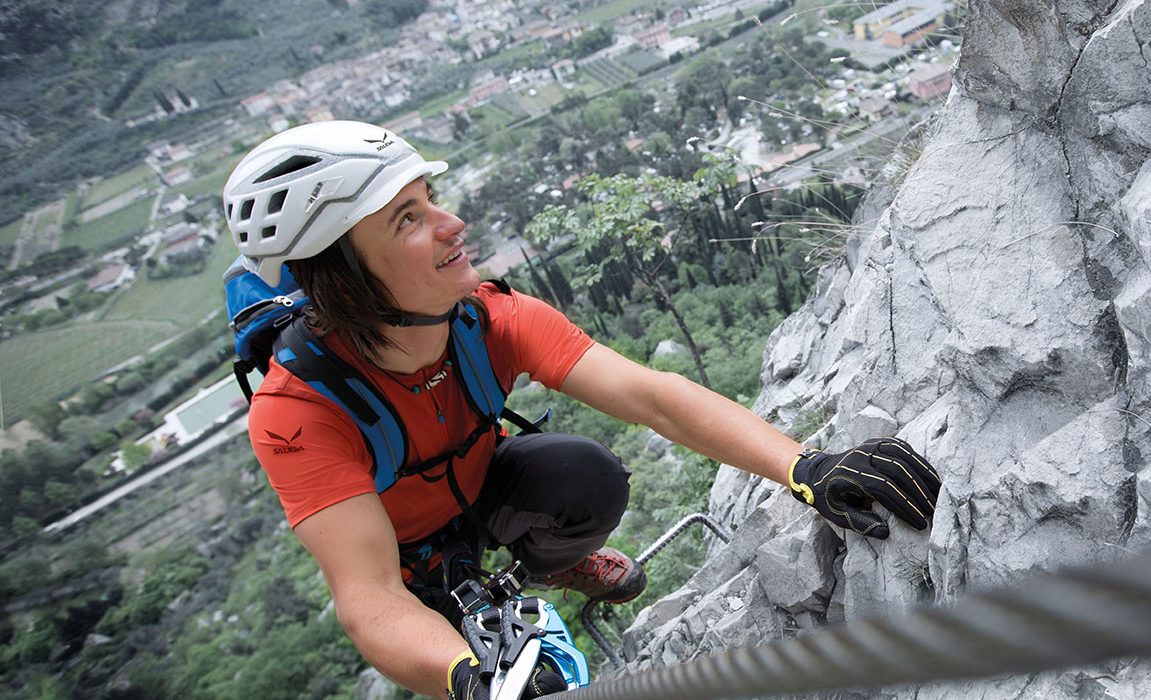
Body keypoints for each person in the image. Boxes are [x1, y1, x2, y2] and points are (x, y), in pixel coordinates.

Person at [223, 120, 941, 700]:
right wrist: (468, 679)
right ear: (345, 278)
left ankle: (552, 567)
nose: (453, 223)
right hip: (405, 561)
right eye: (410, 218)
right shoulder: (299, 411)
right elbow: (369, 596)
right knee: (484, 668)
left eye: (431, 197)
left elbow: (651, 397)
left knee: (588, 476)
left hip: (479, 493)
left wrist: (804, 466)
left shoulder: (485, 320)